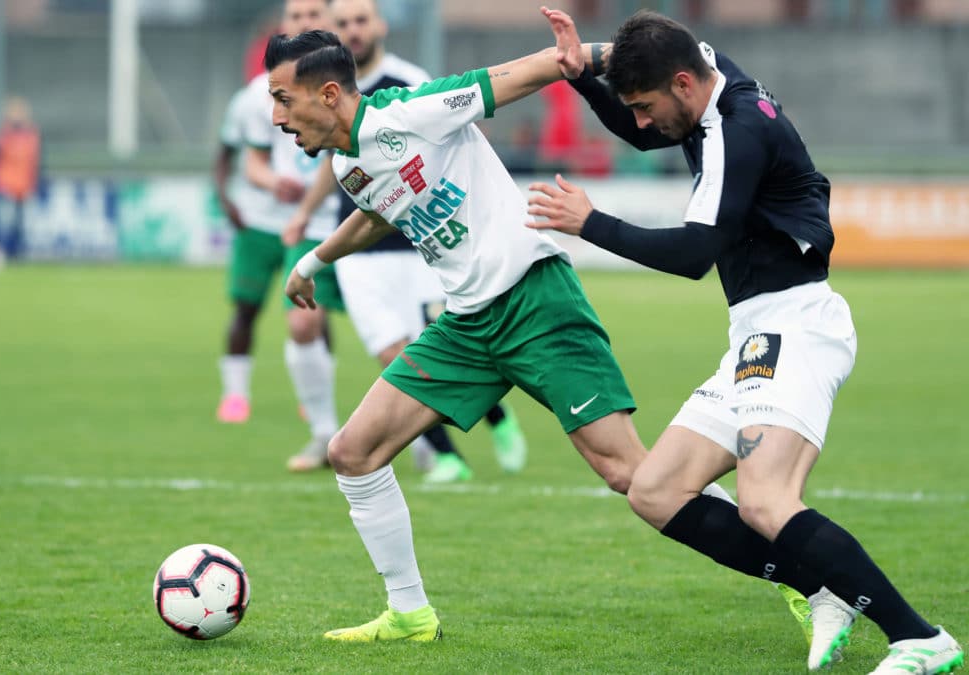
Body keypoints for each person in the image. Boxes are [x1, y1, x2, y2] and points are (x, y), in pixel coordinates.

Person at [527, 9, 964, 675]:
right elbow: (645, 113)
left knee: (763, 499)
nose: (642, 124)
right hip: (758, 333)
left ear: (681, 83)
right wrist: (585, 73)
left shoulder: (737, 128)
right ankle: (822, 585)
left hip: (797, 325)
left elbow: (695, 253)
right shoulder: (701, 74)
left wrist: (591, 223)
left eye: (646, 107)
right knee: (655, 489)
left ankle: (920, 637)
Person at [263, 21, 656, 641]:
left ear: (330, 95)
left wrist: (651, 55)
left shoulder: (415, 112)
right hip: (468, 325)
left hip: (534, 302)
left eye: (283, 99)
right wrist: (315, 260)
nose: (277, 117)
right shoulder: (346, 164)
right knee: (352, 453)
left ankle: (801, 573)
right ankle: (410, 614)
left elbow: (534, 70)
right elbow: (376, 215)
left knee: (634, 478)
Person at [289, 0, 528, 483]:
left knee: (432, 348)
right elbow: (328, 167)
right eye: (344, 23)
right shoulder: (326, 97)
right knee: (392, 353)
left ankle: (497, 418)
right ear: (333, 32)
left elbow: (453, 134)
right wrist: (305, 215)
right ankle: (446, 457)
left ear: (378, 24)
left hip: (418, 244)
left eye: (362, 20)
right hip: (362, 251)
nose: (354, 30)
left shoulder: (405, 83)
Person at [215, 0, 345, 476]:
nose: (303, 22)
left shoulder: (360, 81)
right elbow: (244, 159)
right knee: (299, 322)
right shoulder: (257, 96)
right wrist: (274, 184)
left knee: (401, 335)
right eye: (296, 14)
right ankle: (323, 431)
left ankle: (435, 444)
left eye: (315, 13)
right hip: (303, 224)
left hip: (377, 218)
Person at [0, 95, 43, 270]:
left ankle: (14, 254)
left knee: (17, 224)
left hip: (22, 187)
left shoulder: (31, 136)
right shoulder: (4, 134)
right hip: (2, 185)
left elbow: (36, 162)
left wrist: (36, 183)